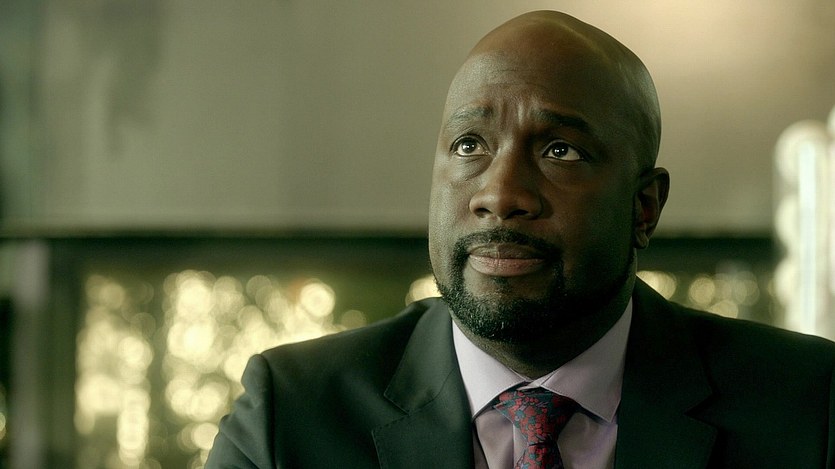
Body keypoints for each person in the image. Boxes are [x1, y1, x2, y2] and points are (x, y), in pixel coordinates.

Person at [206, 10, 835, 468]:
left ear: (644, 207)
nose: (500, 193)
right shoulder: (292, 416)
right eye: (469, 145)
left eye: (560, 150)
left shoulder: (810, 407)